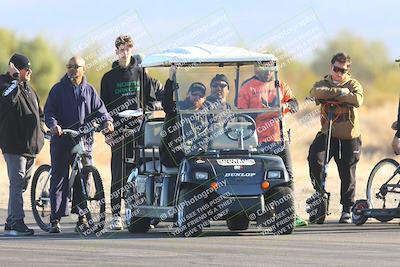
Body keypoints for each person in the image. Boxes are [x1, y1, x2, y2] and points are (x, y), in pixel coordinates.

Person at [44, 56, 114, 233]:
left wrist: (107, 122)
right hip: (62, 140)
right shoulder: (58, 89)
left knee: (84, 177)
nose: (72, 69)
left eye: (76, 66)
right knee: (59, 177)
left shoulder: (89, 90)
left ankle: (82, 216)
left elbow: (101, 110)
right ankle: (55, 219)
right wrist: (54, 125)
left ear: (84, 69)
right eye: (69, 66)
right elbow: (49, 111)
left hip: (83, 140)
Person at [100, 35, 163, 230]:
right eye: (121, 49)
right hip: (119, 130)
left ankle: (138, 214)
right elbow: (103, 108)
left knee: (139, 172)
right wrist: (107, 131)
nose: (124, 52)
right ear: (116, 51)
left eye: (128, 48)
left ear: (132, 49)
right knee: (118, 174)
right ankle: (116, 216)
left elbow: (151, 100)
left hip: (139, 130)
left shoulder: (141, 73)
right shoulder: (108, 78)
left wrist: (148, 113)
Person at [237, 63, 307, 227]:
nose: (268, 73)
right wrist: (266, 111)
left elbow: (295, 104)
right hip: (257, 141)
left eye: (271, 70)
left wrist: (287, 105)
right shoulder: (247, 87)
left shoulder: (280, 85)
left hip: (279, 138)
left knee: (287, 175)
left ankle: (289, 213)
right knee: (262, 177)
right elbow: (242, 114)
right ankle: (264, 213)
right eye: (264, 70)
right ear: (256, 69)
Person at [308, 52, 363, 224]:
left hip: (349, 136)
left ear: (348, 70)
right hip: (328, 133)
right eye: (336, 69)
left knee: (347, 172)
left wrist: (332, 95)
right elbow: (314, 93)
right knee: (314, 158)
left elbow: (357, 99)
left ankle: (346, 209)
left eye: (342, 70)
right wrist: (339, 92)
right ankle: (320, 194)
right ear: (331, 67)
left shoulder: (353, 84)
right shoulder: (322, 83)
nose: (339, 73)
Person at [0, 53, 45, 236]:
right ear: (16, 69)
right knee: (17, 183)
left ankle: (11, 221)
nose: (29, 72)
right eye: (26, 69)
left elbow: (39, 113)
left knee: (22, 184)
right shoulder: (6, 84)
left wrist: (42, 129)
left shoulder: (30, 90)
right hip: (13, 145)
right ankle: (18, 222)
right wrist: (15, 80)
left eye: (29, 69)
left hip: (31, 148)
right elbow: (8, 99)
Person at [160, 65, 206, 167]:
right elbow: (167, 104)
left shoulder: (206, 115)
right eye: (194, 94)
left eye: (201, 95)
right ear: (188, 94)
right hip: (174, 155)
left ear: (204, 99)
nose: (197, 97)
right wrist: (171, 80)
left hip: (199, 156)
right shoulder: (177, 108)